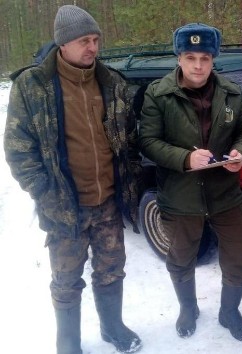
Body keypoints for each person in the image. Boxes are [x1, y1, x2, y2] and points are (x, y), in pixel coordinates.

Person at [3, 5, 142, 354]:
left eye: (95, 39)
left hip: (108, 202)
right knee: (66, 281)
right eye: (84, 40)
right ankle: (68, 343)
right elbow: (19, 149)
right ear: (62, 43)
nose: (92, 47)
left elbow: (130, 140)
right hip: (64, 207)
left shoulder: (110, 83)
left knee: (112, 270)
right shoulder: (32, 86)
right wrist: (44, 193)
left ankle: (112, 327)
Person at [139, 23, 242, 341]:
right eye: (190, 57)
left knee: (241, 256)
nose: (198, 65)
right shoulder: (159, 94)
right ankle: (188, 308)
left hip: (225, 195)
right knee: (179, 259)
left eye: (205, 57)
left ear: (213, 58)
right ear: (179, 57)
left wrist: (239, 152)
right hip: (180, 197)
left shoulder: (231, 92)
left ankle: (229, 311)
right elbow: (147, 141)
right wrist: (184, 158)